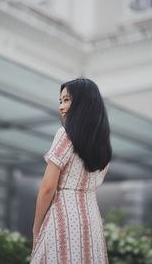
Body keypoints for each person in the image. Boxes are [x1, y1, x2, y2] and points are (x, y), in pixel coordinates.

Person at [30, 78, 112, 264]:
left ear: (83, 103)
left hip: (63, 219)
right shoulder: (104, 145)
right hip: (92, 223)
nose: (61, 106)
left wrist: (36, 229)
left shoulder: (65, 135)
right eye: (60, 101)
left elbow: (47, 188)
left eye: (66, 100)